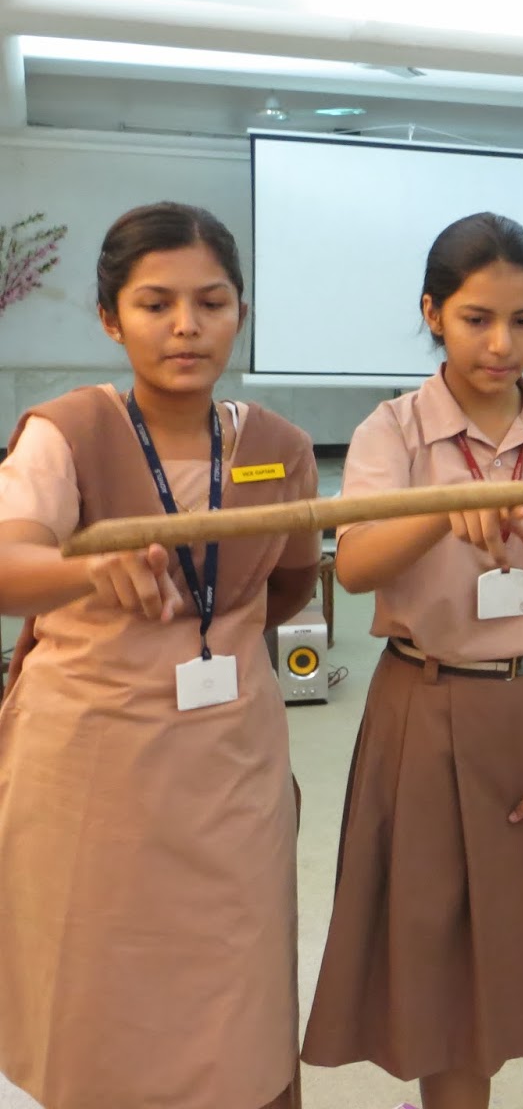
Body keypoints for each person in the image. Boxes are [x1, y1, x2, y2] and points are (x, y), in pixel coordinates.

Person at [301, 212, 523, 1109]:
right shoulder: (392, 434)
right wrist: (437, 509)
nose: (501, 344)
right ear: (433, 314)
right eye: (476, 319)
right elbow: (356, 567)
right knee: (449, 996)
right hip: (430, 716)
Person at [0, 202, 320, 1109]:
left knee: (235, 989)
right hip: (90, 773)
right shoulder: (67, 432)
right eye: (155, 304)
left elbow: (291, 583)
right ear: (111, 319)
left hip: (229, 772)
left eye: (211, 303)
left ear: (241, 313)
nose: (186, 326)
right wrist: (85, 568)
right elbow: (8, 562)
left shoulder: (279, 448)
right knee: (95, 994)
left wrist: (213, 634)